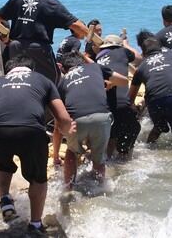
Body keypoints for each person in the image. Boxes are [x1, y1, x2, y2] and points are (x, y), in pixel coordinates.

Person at [0, 54, 75, 234]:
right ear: (32, 69)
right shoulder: (43, 80)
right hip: (30, 131)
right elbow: (63, 118)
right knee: (38, 178)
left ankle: (5, 198)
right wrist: (68, 131)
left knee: (1, 164)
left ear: (9, 70)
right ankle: (35, 224)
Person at [0, 0, 88, 84]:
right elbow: (77, 26)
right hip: (37, 48)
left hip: (15, 47)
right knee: (53, 80)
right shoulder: (52, 4)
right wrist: (90, 36)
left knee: (20, 79)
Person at [53, 52, 128, 188]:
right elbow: (123, 81)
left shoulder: (62, 83)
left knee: (72, 152)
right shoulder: (95, 67)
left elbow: (59, 123)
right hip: (102, 117)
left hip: (77, 121)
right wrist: (109, 83)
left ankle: (69, 189)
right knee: (99, 159)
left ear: (63, 68)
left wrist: (56, 155)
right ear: (82, 62)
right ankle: (100, 187)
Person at [95, 34, 142, 161]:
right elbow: (138, 59)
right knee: (132, 131)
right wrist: (126, 44)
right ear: (118, 45)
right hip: (121, 104)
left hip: (102, 108)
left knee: (110, 139)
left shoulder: (98, 58)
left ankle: (108, 166)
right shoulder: (121, 51)